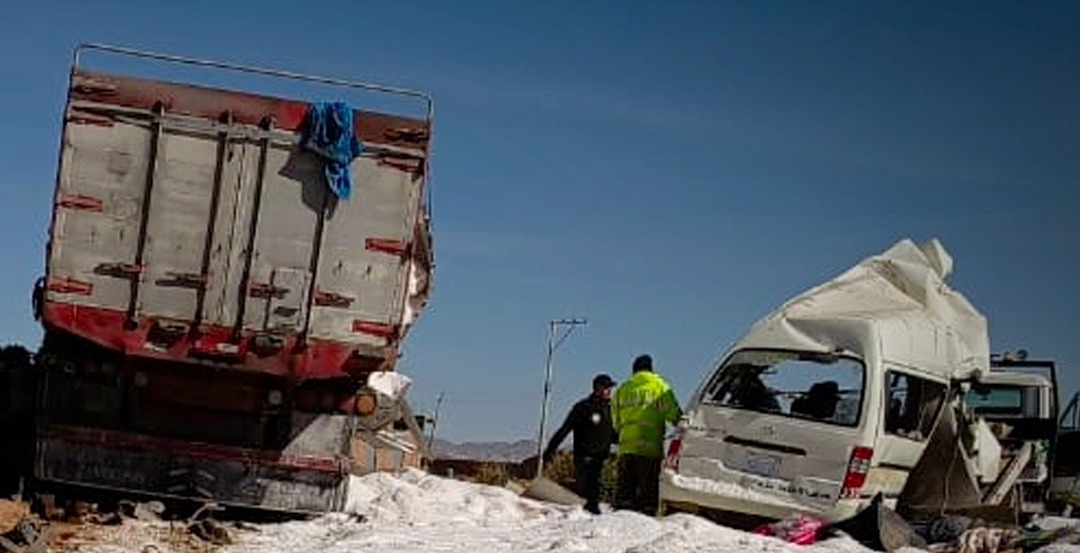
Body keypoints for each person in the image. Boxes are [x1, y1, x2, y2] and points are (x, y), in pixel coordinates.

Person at [611, 354, 682, 516]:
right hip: (649, 450)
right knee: (647, 499)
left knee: (624, 497)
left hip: (626, 449)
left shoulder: (622, 389)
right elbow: (675, 415)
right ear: (651, 369)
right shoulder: (659, 387)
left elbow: (615, 421)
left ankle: (619, 531)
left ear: (634, 370)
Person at [542, 373, 618, 514]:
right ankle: (586, 521)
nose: (609, 391)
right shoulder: (582, 408)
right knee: (589, 493)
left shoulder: (610, 409)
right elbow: (564, 429)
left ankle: (593, 519)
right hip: (585, 457)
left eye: (610, 388)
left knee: (596, 493)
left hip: (602, 458)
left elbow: (611, 435)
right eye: (606, 387)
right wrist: (550, 450)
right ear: (597, 388)